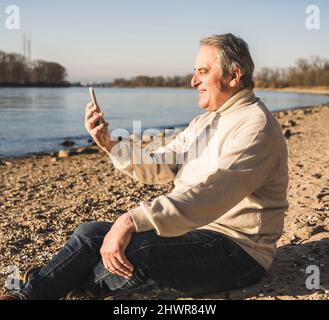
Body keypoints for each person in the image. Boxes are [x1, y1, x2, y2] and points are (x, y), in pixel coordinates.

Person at [1, 33, 288, 300]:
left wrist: (131, 220)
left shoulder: (256, 127)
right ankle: (29, 295)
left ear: (234, 75)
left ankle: (78, 289)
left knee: (138, 250)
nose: (193, 81)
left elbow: (208, 194)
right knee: (90, 234)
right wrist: (110, 144)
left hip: (237, 252)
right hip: (196, 230)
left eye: (203, 71)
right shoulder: (207, 121)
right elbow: (161, 163)